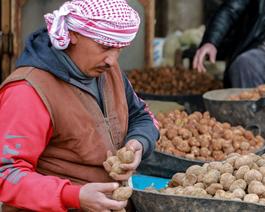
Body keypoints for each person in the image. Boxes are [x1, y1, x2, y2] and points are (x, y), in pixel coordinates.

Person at [0, 0, 159, 211]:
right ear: (73, 35)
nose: (112, 60)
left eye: (119, 49)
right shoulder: (28, 91)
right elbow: (6, 173)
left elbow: (141, 115)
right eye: (105, 46)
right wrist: (72, 195)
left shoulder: (108, 71)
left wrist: (138, 143)